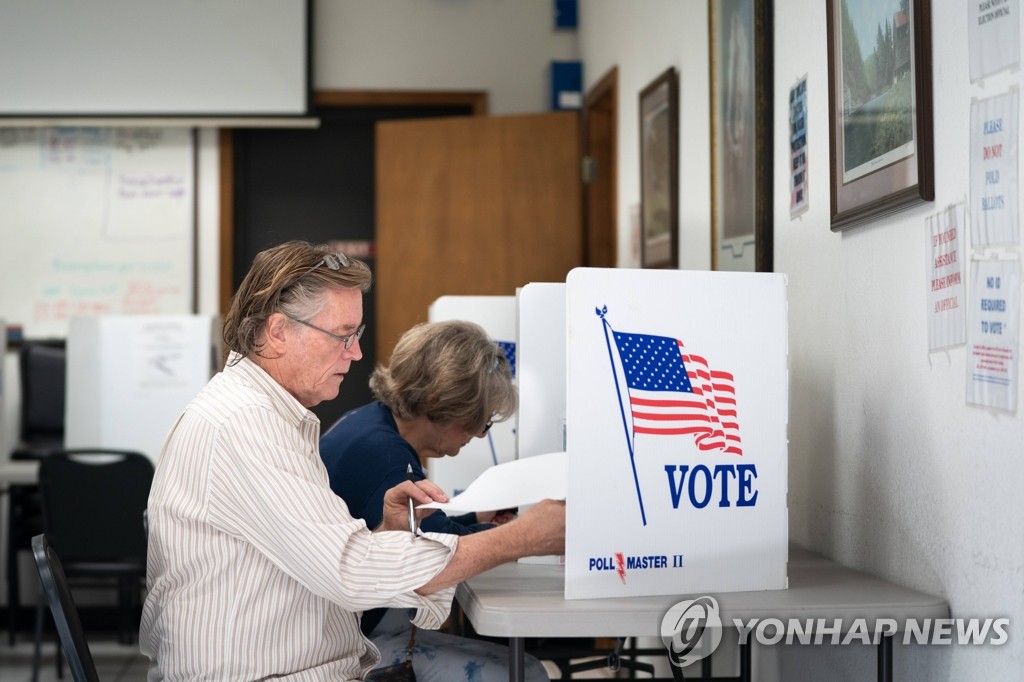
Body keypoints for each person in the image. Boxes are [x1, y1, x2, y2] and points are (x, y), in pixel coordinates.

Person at [139, 240, 565, 681]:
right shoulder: (245, 423)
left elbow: (321, 561)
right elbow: (349, 571)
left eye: (356, 336)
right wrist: (523, 539)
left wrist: (384, 532)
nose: (356, 353)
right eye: (343, 336)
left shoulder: (262, 414)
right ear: (279, 331)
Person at [320, 320, 548, 682]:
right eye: (481, 420)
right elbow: (438, 552)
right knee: (527, 673)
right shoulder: (386, 456)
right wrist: (531, 534)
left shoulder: (370, 425)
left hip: (348, 628)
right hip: (351, 647)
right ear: (449, 404)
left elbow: (425, 530)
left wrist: (477, 518)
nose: (478, 434)